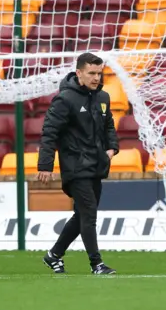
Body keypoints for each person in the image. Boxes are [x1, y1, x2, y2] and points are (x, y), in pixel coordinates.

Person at [37, 52, 119, 275]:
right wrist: (45, 165)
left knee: (82, 214)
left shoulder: (103, 98)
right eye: (91, 73)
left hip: (97, 165)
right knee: (89, 213)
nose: (96, 78)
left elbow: (108, 125)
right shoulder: (65, 99)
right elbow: (49, 132)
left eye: (99, 73)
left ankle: (54, 255)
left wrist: (112, 148)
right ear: (79, 73)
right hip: (75, 167)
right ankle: (97, 264)